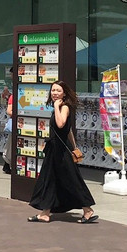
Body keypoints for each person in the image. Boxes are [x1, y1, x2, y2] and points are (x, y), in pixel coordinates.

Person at [27, 80, 97, 224]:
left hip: (61, 150)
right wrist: (74, 145)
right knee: (49, 179)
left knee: (72, 179)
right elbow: (68, 130)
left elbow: (61, 124)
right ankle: (45, 213)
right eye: (53, 90)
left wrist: (57, 107)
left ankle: (88, 210)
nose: (55, 93)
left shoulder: (63, 107)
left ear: (64, 93)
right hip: (54, 149)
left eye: (58, 90)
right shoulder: (58, 107)